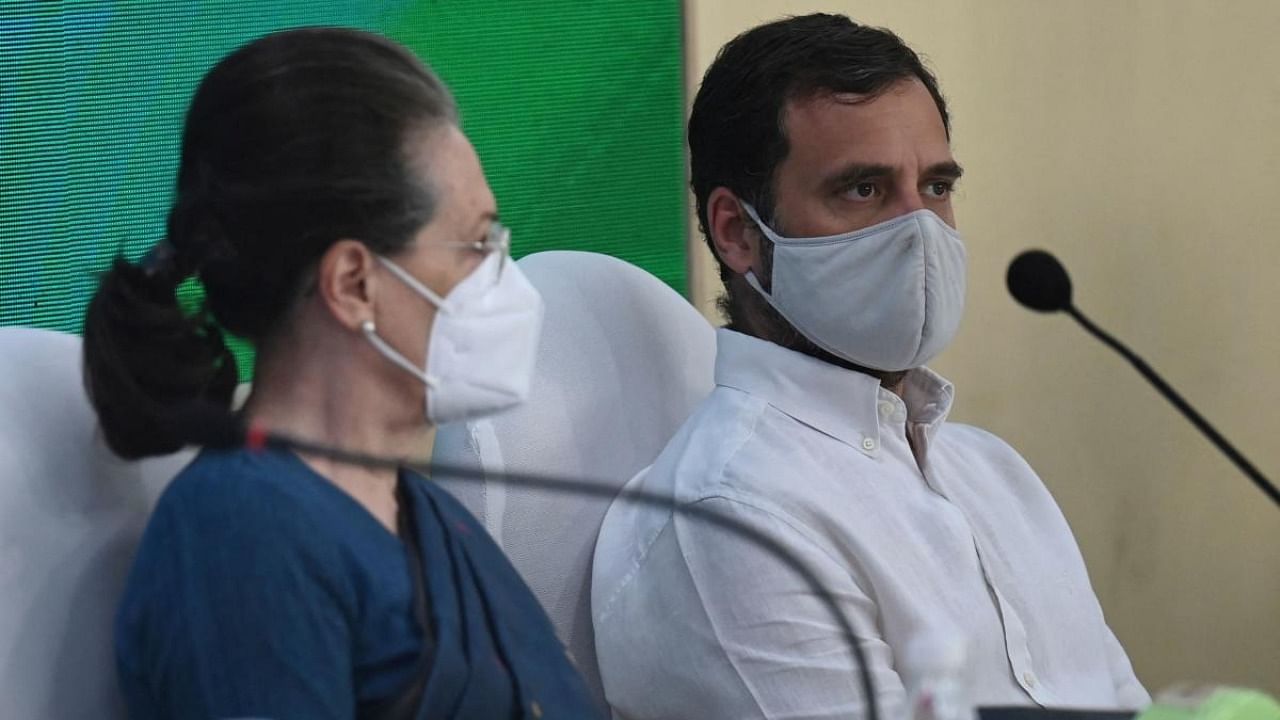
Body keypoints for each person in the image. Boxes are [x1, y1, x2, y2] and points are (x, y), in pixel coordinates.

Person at [591, 13, 1149, 719]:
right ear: (737, 232)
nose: (919, 230)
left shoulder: (998, 476)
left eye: (938, 187)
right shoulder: (729, 517)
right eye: (864, 190)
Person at [82, 27, 601, 720]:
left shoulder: (425, 515)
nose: (503, 280)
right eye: (477, 244)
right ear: (354, 283)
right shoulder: (240, 540)